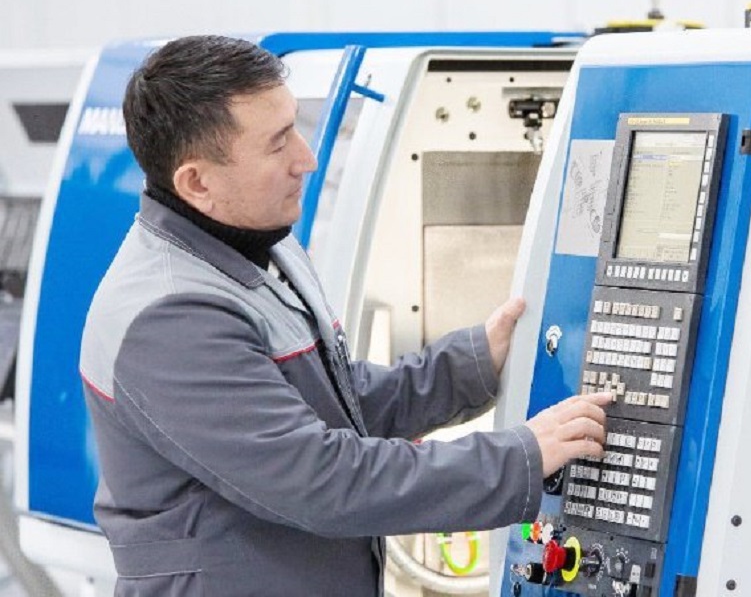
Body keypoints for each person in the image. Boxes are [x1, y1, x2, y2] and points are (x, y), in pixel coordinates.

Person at [79, 35, 609, 596]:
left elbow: (336, 403)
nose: (306, 159)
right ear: (197, 182)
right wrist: (520, 458)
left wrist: (475, 361)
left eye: (296, 128)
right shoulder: (171, 320)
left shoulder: (262, 247)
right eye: (278, 144)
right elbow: (322, 481)